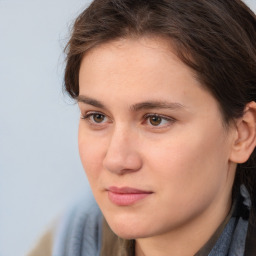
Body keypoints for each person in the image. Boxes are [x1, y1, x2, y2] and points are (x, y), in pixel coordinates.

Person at [28, 0, 256, 255]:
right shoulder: (66, 240)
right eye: (97, 117)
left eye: (156, 119)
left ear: (242, 134)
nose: (116, 160)